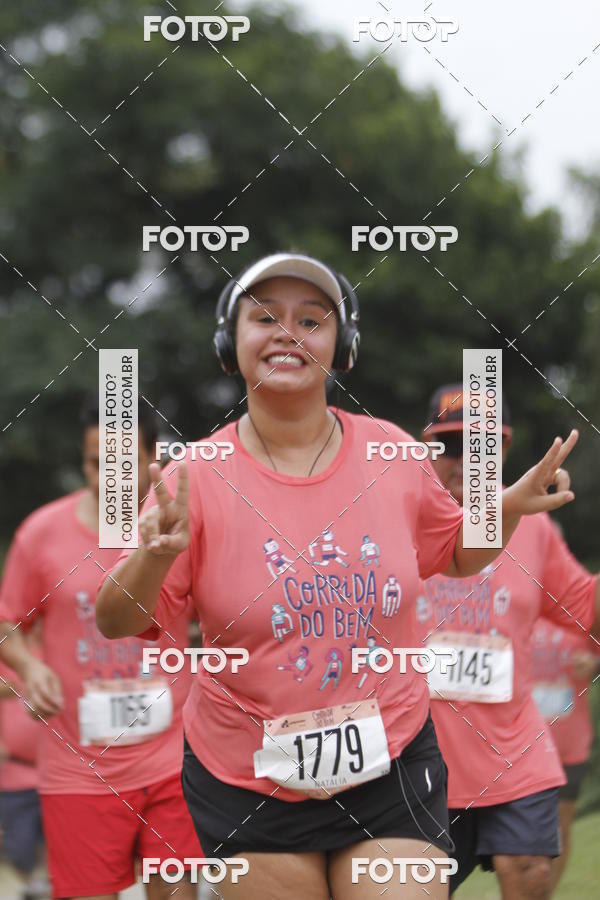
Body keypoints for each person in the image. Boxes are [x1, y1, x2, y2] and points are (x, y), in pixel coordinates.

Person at [96, 252, 579, 900]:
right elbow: (116, 619)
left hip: (392, 762)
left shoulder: (394, 454)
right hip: (248, 777)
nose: (287, 332)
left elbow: (457, 555)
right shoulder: (194, 478)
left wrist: (508, 508)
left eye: (311, 319)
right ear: (229, 340)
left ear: (341, 344)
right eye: (264, 316)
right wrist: (152, 556)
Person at [0, 403, 202, 900]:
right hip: (77, 768)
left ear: (155, 458)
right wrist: (29, 665)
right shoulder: (41, 533)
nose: (108, 475)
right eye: (96, 463)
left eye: (125, 460)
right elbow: (8, 621)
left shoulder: (180, 530)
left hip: (174, 758)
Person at [412, 383, 599, 900]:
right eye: (452, 446)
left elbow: (585, 606)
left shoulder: (532, 529)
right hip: (414, 758)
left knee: (531, 869)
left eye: (483, 446)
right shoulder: (395, 519)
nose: (467, 461)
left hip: (512, 749)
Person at [531, 615, 600, 893]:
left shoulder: (581, 611)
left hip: (569, 745)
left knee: (559, 830)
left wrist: (594, 665)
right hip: (520, 746)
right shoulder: (516, 602)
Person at [0, 625, 48, 900]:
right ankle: (31, 881)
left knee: (62, 839)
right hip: (16, 774)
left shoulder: (55, 649)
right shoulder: (6, 656)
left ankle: (47, 883)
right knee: (19, 843)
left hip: (58, 771)